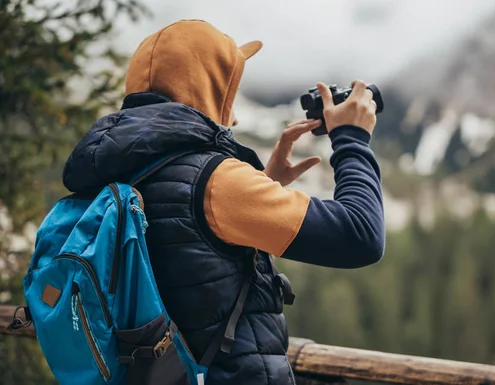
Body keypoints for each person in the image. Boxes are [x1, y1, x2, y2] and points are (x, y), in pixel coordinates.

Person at [62, 20, 385, 385]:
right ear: (210, 89)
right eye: (229, 86)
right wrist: (352, 139)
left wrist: (265, 183)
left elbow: (187, 241)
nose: (232, 114)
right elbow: (360, 236)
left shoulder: (109, 168)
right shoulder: (218, 181)